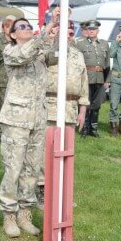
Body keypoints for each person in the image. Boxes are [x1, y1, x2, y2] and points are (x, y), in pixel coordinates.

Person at [0, 18, 56, 237]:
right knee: (13, 168)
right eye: (21, 27)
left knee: (32, 169)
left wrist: (60, 28)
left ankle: (25, 213)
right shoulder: (11, 51)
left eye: (29, 26)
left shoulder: (40, 53)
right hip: (16, 120)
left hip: (38, 119)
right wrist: (47, 28)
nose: (27, 29)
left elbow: (57, 54)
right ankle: (9, 215)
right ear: (13, 34)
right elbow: (26, 54)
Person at [39, 20, 88, 203]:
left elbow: (84, 84)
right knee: (46, 151)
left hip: (70, 109)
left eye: (70, 32)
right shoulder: (48, 52)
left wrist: (82, 111)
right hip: (50, 106)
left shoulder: (78, 55)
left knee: (66, 151)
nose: (67, 35)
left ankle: (63, 191)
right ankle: (43, 189)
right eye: (63, 32)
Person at [75, 20, 110, 138]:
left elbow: (108, 64)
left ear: (98, 31)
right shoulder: (80, 44)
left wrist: (107, 80)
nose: (91, 31)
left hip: (100, 78)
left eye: (93, 29)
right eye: (89, 29)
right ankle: (84, 128)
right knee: (85, 104)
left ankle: (93, 129)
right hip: (86, 78)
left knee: (96, 104)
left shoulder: (104, 44)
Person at [0, 15, 15, 143]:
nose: (11, 30)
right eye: (8, 27)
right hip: (1, 82)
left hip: (15, 82)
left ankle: (10, 132)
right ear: (4, 28)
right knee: (0, 109)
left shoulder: (17, 44)